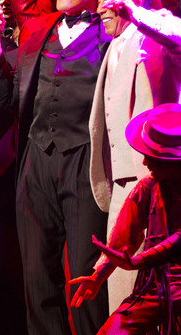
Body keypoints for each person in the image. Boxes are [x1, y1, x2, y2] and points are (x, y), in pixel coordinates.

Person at [0, 0, 117, 335]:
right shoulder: (41, 30)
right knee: (38, 278)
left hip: (85, 164)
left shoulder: (111, 33)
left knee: (88, 280)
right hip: (36, 164)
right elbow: (10, 99)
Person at [89, 0, 181, 312]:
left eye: (108, 0)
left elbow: (176, 32)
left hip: (159, 185)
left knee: (158, 296)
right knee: (121, 293)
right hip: (122, 187)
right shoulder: (112, 47)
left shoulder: (155, 33)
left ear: (135, 1)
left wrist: (138, 15)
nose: (100, 8)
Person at [70, 103, 181, 334]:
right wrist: (98, 276)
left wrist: (136, 262)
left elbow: (176, 241)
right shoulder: (147, 188)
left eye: (154, 157)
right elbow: (122, 239)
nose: (145, 162)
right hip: (155, 289)